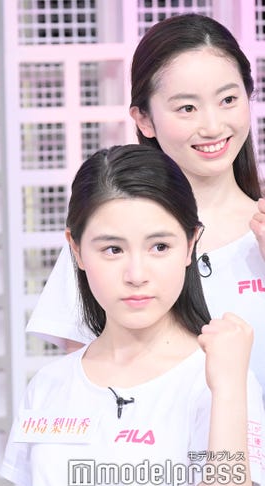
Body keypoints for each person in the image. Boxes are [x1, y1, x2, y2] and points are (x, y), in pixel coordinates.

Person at [1, 144, 265, 486]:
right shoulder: (48, 387)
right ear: (76, 250)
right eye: (113, 250)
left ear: (190, 244)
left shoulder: (219, 379)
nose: (136, 275)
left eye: (159, 247)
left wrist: (228, 391)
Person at [27, 14, 265, 384]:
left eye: (228, 100)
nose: (213, 126)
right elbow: (86, 383)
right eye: (187, 108)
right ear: (144, 120)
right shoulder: (109, 226)